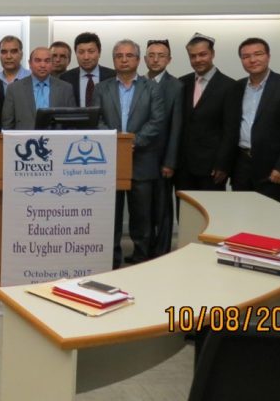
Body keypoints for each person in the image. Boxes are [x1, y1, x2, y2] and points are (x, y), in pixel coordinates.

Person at [94, 40, 165, 267]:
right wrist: (116, 142)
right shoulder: (101, 88)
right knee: (111, 214)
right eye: (119, 56)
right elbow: (96, 119)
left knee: (141, 215)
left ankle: (141, 257)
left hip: (142, 160)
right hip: (111, 161)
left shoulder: (152, 88)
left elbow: (157, 121)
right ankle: (111, 259)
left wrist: (132, 142)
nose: (124, 60)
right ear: (113, 59)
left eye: (129, 56)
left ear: (138, 59)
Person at [229, 38, 280, 205]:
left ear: (268, 56)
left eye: (258, 54)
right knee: (240, 213)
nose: (252, 60)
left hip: (272, 167)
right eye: (246, 56)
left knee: (271, 215)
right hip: (241, 165)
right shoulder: (237, 87)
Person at [178, 33, 236, 192]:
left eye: (202, 54)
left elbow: (231, 130)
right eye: (193, 56)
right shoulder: (182, 83)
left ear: (212, 54)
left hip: (212, 169)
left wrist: (223, 164)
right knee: (184, 208)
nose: (198, 60)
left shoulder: (230, 86)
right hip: (183, 167)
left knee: (211, 208)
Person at [144, 39, 183, 257]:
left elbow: (176, 126)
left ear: (169, 59)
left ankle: (163, 251)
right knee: (144, 208)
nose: (156, 59)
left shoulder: (176, 86)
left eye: (161, 55)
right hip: (141, 156)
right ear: (144, 59)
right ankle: (146, 249)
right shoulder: (138, 82)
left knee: (162, 208)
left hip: (163, 158)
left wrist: (170, 161)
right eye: (151, 55)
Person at [1, 46, 76, 130]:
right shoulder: (14, 89)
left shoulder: (65, 88)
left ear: (52, 64)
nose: (42, 65)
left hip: (56, 137)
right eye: (38, 60)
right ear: (30, 63)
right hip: (25, 137)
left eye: (47, 61)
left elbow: (71, 122)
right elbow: (7, 124)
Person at [60, 32, 115, 107]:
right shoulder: (65, 78)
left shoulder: (113, 76)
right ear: (76, 54)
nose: (86, 57)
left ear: (99, 53)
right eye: (81, 52)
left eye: (91, 52)